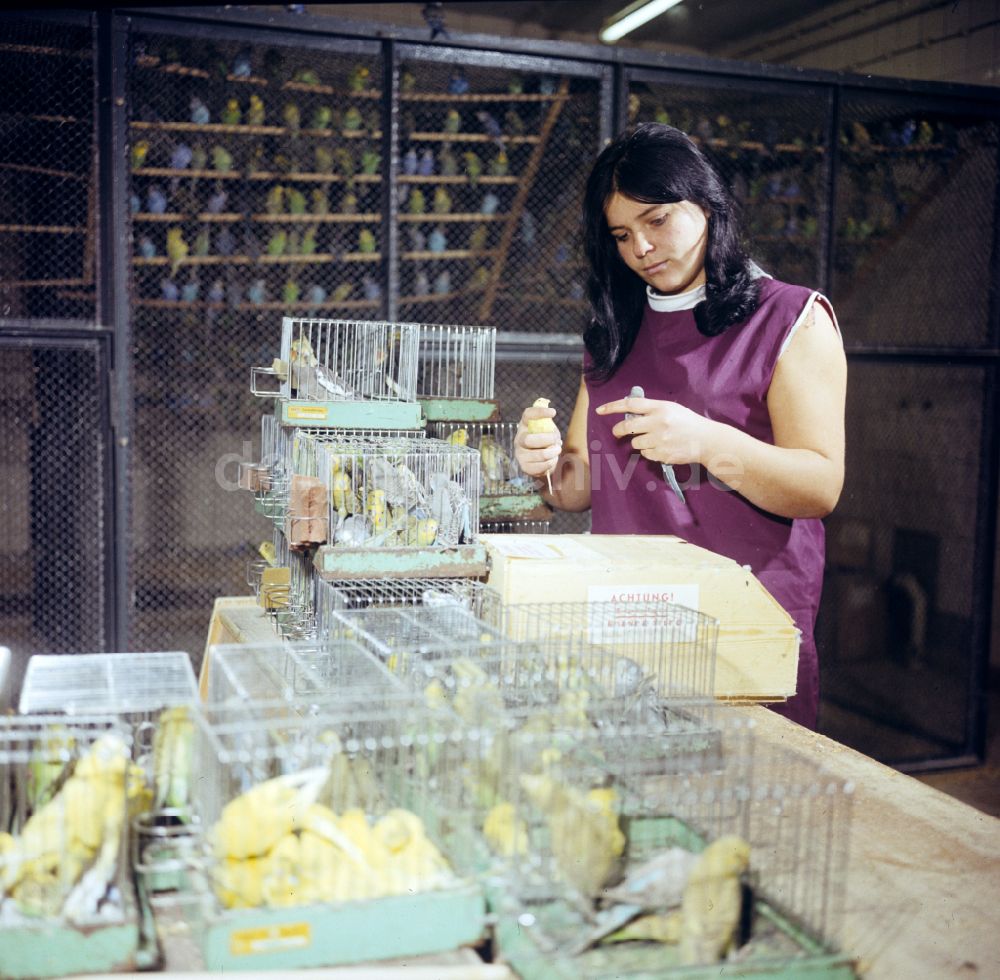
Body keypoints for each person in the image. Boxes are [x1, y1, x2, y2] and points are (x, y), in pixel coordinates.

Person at [513, 123, 847, 729]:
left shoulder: (791, 317)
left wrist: (710, 442)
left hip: (743, 623)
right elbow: (580, 486)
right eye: (622, 234)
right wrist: (542, 465)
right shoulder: (613, 330)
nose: (641, 246)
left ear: (709, 205)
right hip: (627, 622)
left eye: (658, 220)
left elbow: (820, 484)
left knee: (748, 804)